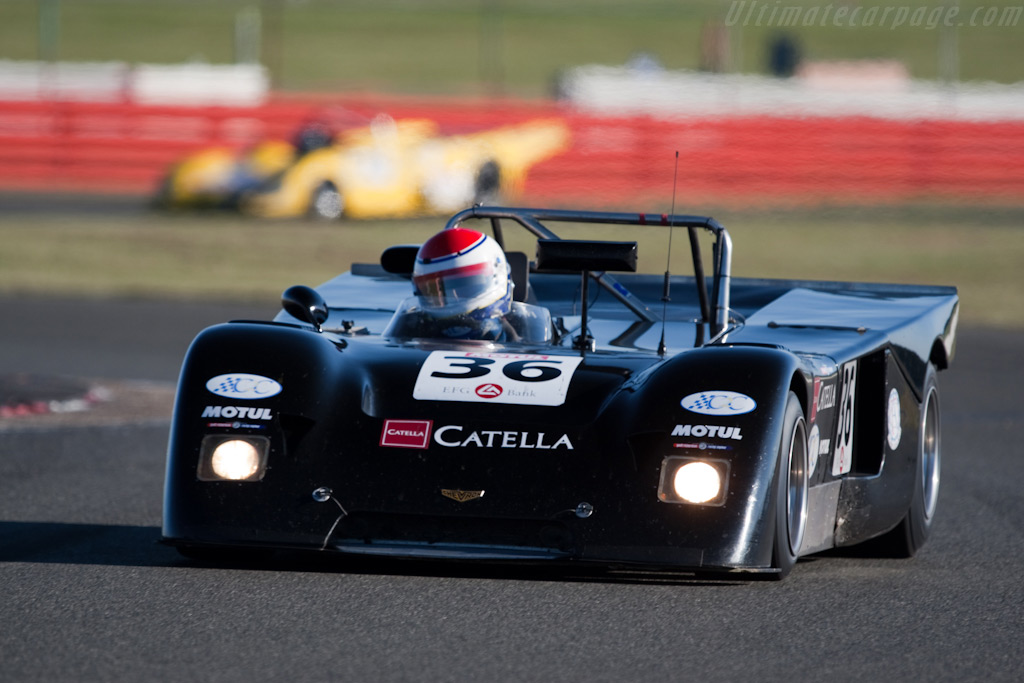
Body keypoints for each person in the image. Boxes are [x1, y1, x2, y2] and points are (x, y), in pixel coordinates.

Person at [383, 227, 552, 342]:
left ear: (496, 277)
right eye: (432, 290)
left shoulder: (526, 338)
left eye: (463, 285)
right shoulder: (411, 333)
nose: (450, 299)